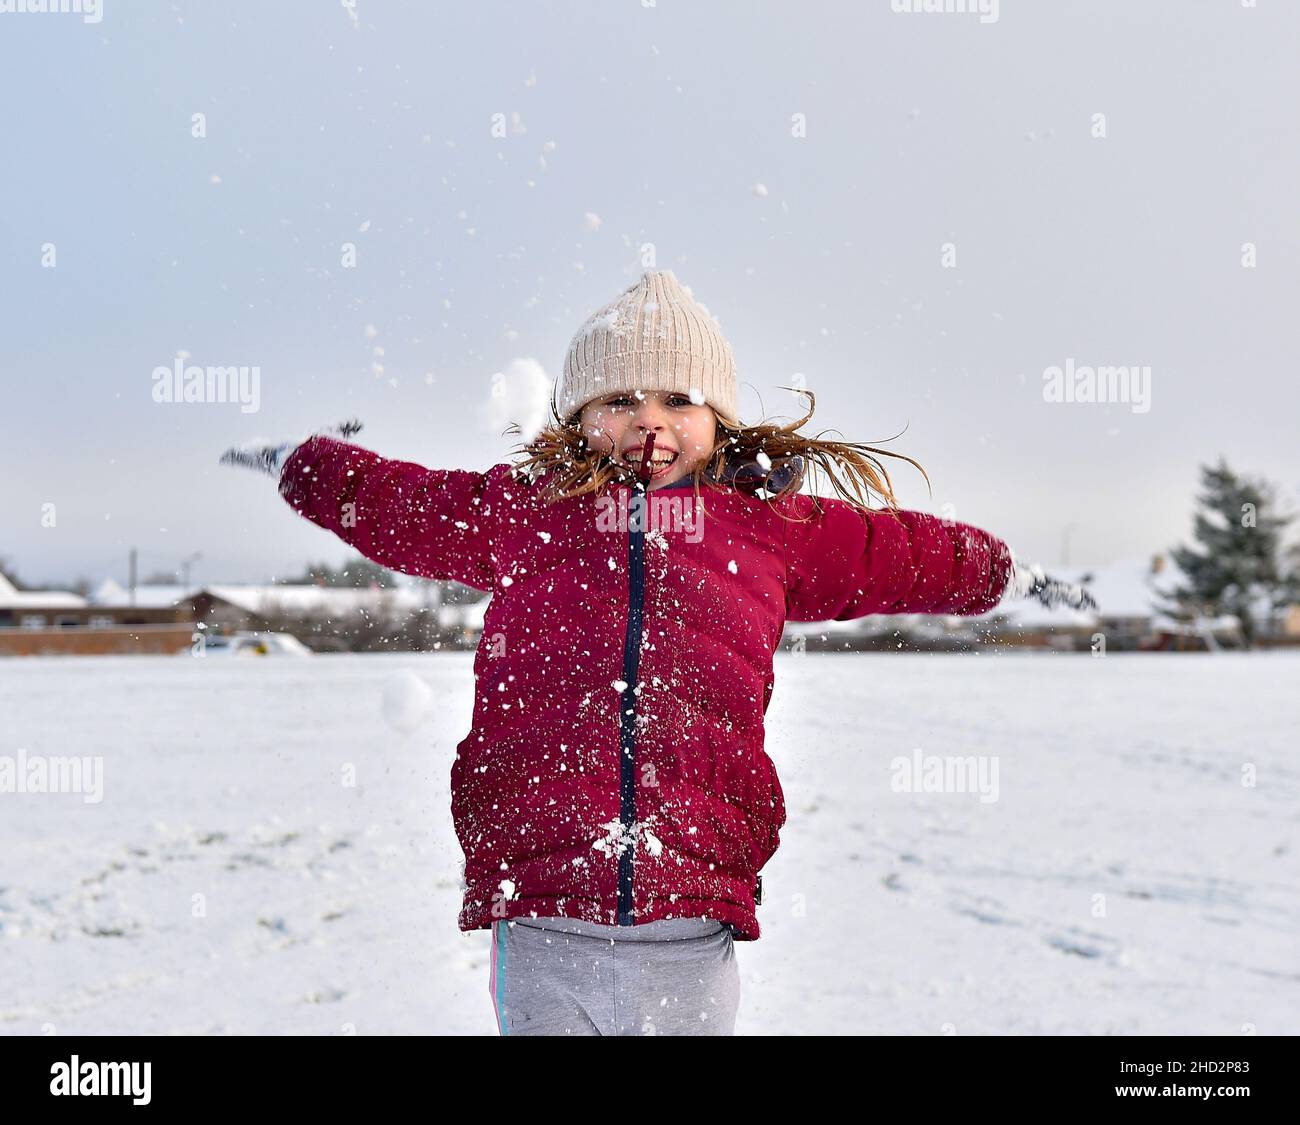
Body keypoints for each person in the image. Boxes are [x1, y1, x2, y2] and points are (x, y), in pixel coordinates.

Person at [221, 269, 1093, 1035]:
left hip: (693, 907)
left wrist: (1006, 571)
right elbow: (401, 503)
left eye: (678, 400)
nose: (651, 422)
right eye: (620, 401)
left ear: (716, 419)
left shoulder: (770, 527)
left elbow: (896, 551)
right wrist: (303, 463)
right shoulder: (524, 513)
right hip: (543, 900)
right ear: (579, 418)